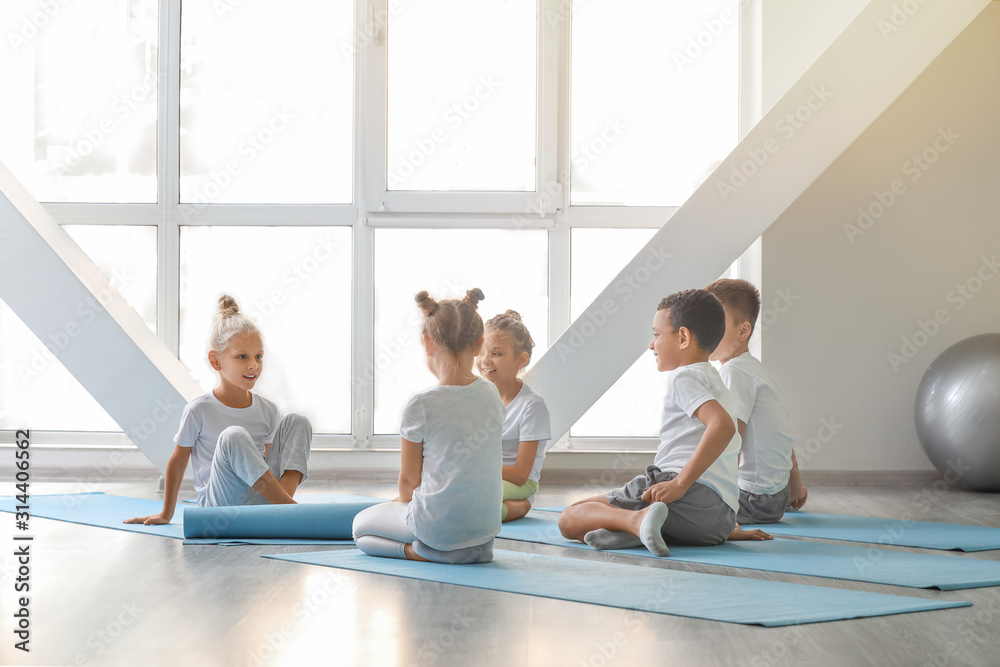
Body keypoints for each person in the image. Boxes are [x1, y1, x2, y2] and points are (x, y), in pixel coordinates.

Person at [558, 289, 769, 556]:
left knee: (569, 517)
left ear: (683, 338)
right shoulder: (714, 379)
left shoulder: (683, 377)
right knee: (595, 514)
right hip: (719, 521)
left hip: (684, 492)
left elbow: (723, 426)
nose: (651, 344)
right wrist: (723, 524)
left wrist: (680, 484)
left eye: (656, 335)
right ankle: (639, 531)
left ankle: (636, 521)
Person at [125, 295, 311, 526]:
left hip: (261, 499)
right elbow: (179, 461)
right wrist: (166, 513)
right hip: (220, 504)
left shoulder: (268, 409)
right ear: (216, 361)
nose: (253, 365)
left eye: (258, 356)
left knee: (298, 420)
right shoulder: (199, 410)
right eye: (242, 357)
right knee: (233, 435)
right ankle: (290, 513)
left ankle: (283, 507)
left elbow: (274, 465)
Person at [352, 289, 503, 563]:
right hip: (486, 528)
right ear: (479, 344)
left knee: (360, 530)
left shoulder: (420, 404)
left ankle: (426, 552)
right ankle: (468, 548)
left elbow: (409, 482)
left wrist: (401, 506)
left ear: (427, 342)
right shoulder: (492, 393)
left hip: (436, 527)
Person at [706, 278, 806, 524]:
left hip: (754, 500)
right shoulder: (756, 370)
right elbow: (784, 439)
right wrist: (796, 488)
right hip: (775, 497)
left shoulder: (734, 372)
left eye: (716, 324)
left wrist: (712, 493)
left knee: (679, 504)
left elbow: (731, 441)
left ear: (743, 331)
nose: (706, 331)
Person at [477, 310, 551, 522]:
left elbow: (520, 473)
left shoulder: (532, 406)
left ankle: (521, 505)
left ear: (521, 359)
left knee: (473, 501)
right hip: (483, 475)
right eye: (481, 352)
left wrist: (474, 469)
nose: (485, 361)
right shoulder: (478, 399)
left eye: (496, 354)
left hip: (520, 483)